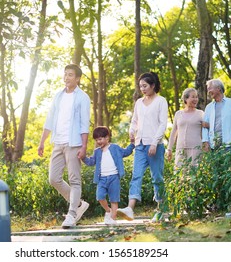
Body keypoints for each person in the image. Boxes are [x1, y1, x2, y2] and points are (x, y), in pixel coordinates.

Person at [38, 64, 91, 229]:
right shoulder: (58, 96)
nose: (67, 77)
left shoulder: (82, 97)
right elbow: (49, 120)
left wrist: (83, 146)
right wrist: (42, 141)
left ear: (77, 78)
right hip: (58, 142)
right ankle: (79, 204)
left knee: (74, 179)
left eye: (70, 75)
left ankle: (72, 214)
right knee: (54, 178)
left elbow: (84, 124)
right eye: (65, 74)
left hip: (73, 142)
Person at [117, 71, 168, 223]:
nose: (143, 89)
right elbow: (134, 121)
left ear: (153, 85)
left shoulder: (161, 101)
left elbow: (162, 124)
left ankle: (161, 209)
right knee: (136, 176)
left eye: (145, 86)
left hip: (155, 147)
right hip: (139, 145)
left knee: (157, 178)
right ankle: (130, 209)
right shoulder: (139, 102)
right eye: (140, 86)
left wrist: (154, 143)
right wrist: (131, 131)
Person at [82, 126, 135, 225]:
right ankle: (108, 211)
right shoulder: (97, 151)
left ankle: (113, 219)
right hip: (101, 178)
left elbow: (126, 152)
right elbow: (91, 162)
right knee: (100, 197)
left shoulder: (115, 148)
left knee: (114, 199)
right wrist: (83, 157)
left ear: (107, 138)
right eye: (96, 140)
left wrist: (132, 144)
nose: (98, 141)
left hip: (114, 177)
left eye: (100, 139)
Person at [202, 79, 231, 151]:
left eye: (210, 88)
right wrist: (205, 142)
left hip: (230, 144)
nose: (208, 92)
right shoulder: (209, 107)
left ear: (218, 88)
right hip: (214, 145)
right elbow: (204, 126)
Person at [167, 88, 204, 168]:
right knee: (179, 174)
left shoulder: (201, 114)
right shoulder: (178, 114)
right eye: (193, 97)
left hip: (195, 149)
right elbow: (173, 133)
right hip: (180, 149)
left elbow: (204, 131)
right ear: (186, 99)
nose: (195, 99)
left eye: (196, 97)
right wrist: (169, 149)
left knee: (194, 175)